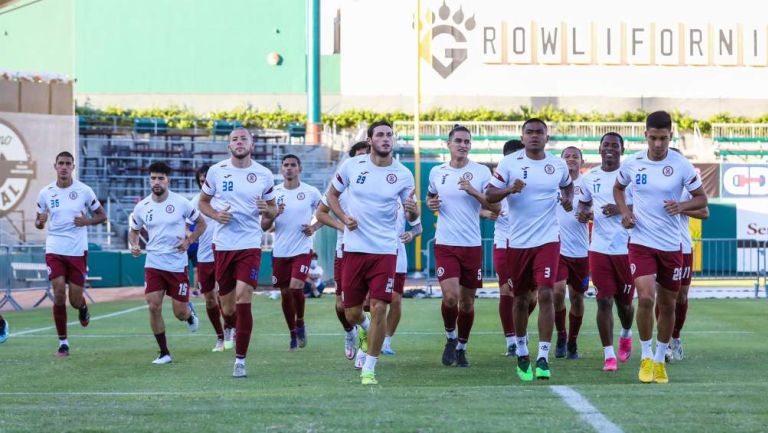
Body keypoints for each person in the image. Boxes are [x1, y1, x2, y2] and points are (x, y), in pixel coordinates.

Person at [614, 111, 708, 384]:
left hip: (671, 245)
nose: (658, 144)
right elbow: (619, 189)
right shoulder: (633, 163)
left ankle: (660, 360)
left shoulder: (681, 165)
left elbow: (701, 199)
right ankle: (645, 356)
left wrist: (681, 206)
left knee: (668, 304)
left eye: (663, 138)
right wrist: (624, 213)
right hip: (641, 242)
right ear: (645, 136)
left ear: (671, 136)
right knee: (645, 298)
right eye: (653, 138)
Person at [325, 120, 417, 385]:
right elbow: (331, 196)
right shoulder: (352, 166)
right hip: (354, 249)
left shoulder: (403, 173)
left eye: (390, 135)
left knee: (379, 308)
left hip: (385, 251)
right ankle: (364, 330)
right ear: (370, 140)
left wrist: (412, 209)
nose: (386, 139)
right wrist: (343, 217)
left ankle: (369, 368)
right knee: (351, 311)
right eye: (380, 135)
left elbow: (413, 214)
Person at [486, 118, 574, 381]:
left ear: (547, 138)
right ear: (522, 137)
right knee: (520, 298)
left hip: (548, 239)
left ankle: (543, 357)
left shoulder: (557, 165)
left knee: (546, 293)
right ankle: (522, 350)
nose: (534, 136)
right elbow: (490, 194)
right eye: (530, 132)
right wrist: (508, 189)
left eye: (539, 133)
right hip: (518, 241)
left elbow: (567, 184)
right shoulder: (509, 163)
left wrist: (568, 198)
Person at [198, 127, 278, 378]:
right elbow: (203, 202)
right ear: (229, 146)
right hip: (222, 245)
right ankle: (228, 326)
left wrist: (268, 209)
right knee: (228, 307)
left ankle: (240, 359)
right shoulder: (216, 171)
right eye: (234, 139)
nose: (239, 142)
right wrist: (215, 215)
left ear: (252, 144)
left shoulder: (263, 174)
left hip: (250, 244)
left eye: (244, 138)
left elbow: (273, 210)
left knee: (245, 297)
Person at [427, 125, 499, 368]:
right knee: (451, 298)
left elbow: (493, 204)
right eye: (458, 140)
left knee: (467, 303)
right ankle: (450, 337)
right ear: (449, 144)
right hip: (445, 243)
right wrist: (431, 204)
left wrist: (473, 191)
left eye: (467, 141)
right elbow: (430, 197)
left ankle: (462, 347)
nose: (463, 144)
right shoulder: (437, 172)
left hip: (471, 245)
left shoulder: (480, 172)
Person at [129, 161, 205, 364]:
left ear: (168, 180)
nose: (156, 182)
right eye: (153, 178)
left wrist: (189, 241)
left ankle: (189, 314)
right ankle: (164, 352)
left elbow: (201, 223)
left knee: (179, 313)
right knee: (153, 306)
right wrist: (134, 245)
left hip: (176, 264)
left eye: (160, 178)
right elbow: (134, 230)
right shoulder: (142, 206)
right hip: (153, 262)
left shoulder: (181, 203)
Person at [35, 151, 107, 357]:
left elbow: (102, 216)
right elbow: (39, 222)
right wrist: (40, 222)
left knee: (74, 300)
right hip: (54, 248)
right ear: (55, 166)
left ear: (73, 167)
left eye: (68, 163)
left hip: (76, 250)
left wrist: (87, 221)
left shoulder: (84, 191)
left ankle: (82, 306)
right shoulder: (46, 192)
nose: (64, 167)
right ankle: (63, 343)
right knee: (58, 292)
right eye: (61, 163)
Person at [577, 132, 636, 372]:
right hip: (599, 248)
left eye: (615, 145)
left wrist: (622, 208)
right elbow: (583, 203)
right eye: (606, 145)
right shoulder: (590, 178)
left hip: (627, 247)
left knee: (625, 305)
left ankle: (625, 332)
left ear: (622, 149)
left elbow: (645, 205)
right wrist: (582, 213)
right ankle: (608, 355)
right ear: (599, 149)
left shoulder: (631, 176)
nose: (610, 149)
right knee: (603, 300)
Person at [315, 141, 370, 360]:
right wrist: (343, 226)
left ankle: (367, 347)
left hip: (374, 250)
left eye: (367, 155)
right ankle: (350, 332)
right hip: (345, 251)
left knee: (369, 302)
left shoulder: (381, 180)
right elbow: (321, 213)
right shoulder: (340, 185)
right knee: (342, 305)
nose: (363, 159)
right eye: (358, 156)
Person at [261, 154, 322, 351]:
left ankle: (301, 322)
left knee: (296, 287)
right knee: (285, 293)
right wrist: (274, 214)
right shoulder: (273, 194)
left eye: (293, 165)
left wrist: (313, 227)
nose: (289, 168)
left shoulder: (310, 192)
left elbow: (324, 213)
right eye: (285, 165)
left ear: (299, 169)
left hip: (302, 249)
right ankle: (293, 334)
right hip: (280, 251)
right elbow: (264, 226)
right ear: (281, 170)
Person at [664, 148, 710, 362]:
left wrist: (680, 208)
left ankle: (676, 337)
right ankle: (662, 344)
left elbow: (704, 212)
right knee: (663, 295)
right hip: (660, 245)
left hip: (683, 246)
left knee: (681, 296)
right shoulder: (654, 184)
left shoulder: (688, 185)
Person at [553, 147, 590, 360]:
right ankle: (561, 335)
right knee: (557, 292)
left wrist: (590, 215)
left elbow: (594, 209)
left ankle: (573, 341)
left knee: (577, 298)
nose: (570, 159)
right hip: (557, 248)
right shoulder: (553, 184)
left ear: (581, 161)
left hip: (580, 250)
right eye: (566, 156)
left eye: (575, 156)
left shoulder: (587, 184)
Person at [190, 165, 229, 352]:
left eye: (207, 179)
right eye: (201, 180)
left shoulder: (224, 198)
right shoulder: (194, 202)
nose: (205, 183)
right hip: (204, 256)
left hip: (224, 251)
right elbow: (184, 224)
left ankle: (230, 329)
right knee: (210, 299)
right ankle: (220, 336)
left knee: (226, 296)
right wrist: (189, 238)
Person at [381, 198, 422, 356]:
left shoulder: (405, 195)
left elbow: (417, 227)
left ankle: (386, 341)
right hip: (375, 252)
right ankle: (367, 334)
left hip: (398, 254)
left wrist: (411, 233)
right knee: (372, 300)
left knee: (395, 300)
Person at [495, 139, 524, 357]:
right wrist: (488, 211)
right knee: (507, 290)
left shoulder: (533, 176)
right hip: (504, 242)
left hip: (529, 242)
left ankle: (519, 327)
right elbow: (481, 203)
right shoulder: (495, 179)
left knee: (530, 296)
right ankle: (511, 340)